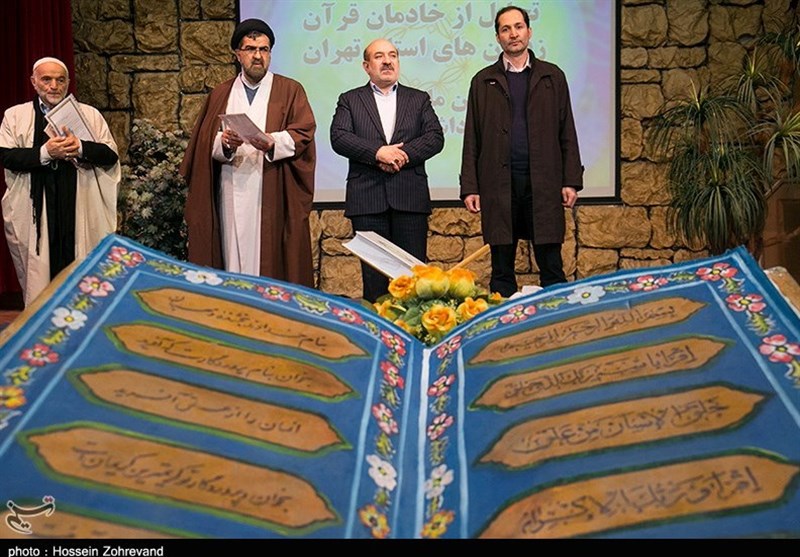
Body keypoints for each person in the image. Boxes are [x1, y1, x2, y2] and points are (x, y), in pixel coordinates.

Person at [181, 18, 316, 286]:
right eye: (251, 49)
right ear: (237, 54)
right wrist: (224, 143)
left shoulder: (290, 90)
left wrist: (273, 142)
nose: (258, 56)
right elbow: (204, 143)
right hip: (231, 186)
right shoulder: (221, 93)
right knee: (231, 255)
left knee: (271, 258)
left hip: (272, 187)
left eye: (264, 49)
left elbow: (304, 132)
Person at [459, 6, 583, 297]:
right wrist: (470, 187)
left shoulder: (552, 76)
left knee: (552, 266)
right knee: (501, 270)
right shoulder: (482, 80)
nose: (513, 34)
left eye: (518, 27)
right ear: (498, 37)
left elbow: (567, 130)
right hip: (498, 184)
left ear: (529, 31)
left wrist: (570, 180)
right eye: (506, 29)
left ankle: (556, 318)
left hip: (544, 183)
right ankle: (503, 322)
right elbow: (472, 137)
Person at [330, 38, 444, 303]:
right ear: (366, 66)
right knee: (375, 284)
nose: (387, 61)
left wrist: (401, 155)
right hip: (368, 200)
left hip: (409, 199)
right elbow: (339, 136)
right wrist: (378, 153)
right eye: (379, 56)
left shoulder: (418, 99)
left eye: (392, 55)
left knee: (414, 281)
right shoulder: (350, 100)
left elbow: (435, 137)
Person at [0, 57, 120, 306]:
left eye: (60, 80)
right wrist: (46, 152)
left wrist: (81, 147)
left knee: (79, 267)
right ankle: (43, 321)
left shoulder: (89, 114)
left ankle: (82, 319)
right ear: (34, 82)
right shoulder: (15, 115)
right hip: (36, 207)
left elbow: (110, 155)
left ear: (68, 82)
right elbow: (6, 156)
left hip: (77, 203)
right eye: (46, 79)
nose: (54, 86)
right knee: (40, 274)